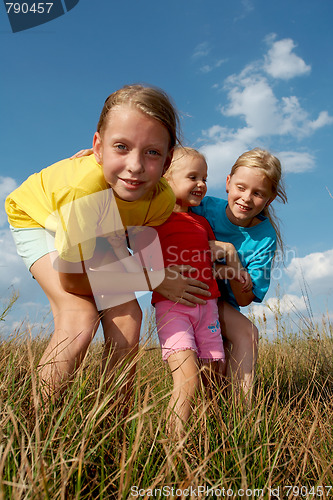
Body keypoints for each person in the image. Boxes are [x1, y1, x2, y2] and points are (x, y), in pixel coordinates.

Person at [5, 84, 211, 403]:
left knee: (129, 317)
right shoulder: (82, 188)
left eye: (152, 152)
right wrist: (154, 278)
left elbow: (143, 258)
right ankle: (32, 431)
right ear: (98, 148)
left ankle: (110, 427)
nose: (136, 166)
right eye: (121, 147)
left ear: (168, 161)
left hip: (101, 224)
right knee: (79, 316)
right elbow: (73, 282)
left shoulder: (160, 199)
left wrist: (155, 275)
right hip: (41, 216)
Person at [145, 147, 251, 436]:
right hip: (174, 308)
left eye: (204, 177)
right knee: (188, 380)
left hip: (208, 309)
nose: (202, 184)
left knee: (214, 379)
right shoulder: (155, 216)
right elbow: (141, 258)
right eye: (193, 176)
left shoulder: (201, 222)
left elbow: (210, 265)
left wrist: (234, 272)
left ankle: (212, 441)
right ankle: (172, 451)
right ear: (165, 178)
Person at [192, 148, 287, 398]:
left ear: (270, 199)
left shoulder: (264, 237)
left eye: (258, 193)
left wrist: (232, 258)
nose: (246, 198)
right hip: (194, 293)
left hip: (222, 303)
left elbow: (245, 299)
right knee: (210, 373)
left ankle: (240, 418)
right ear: (227, 183)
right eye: (241, 187)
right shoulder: (203, 208)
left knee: (248, 334)